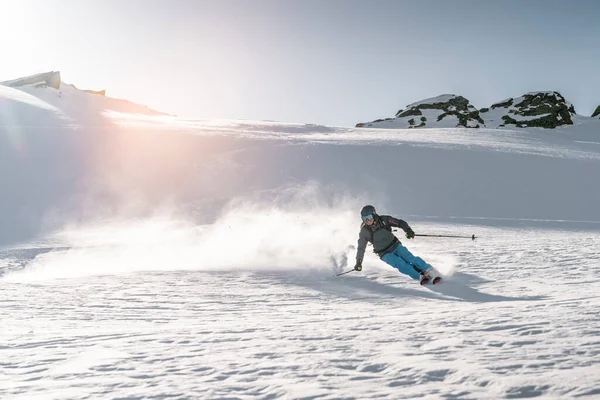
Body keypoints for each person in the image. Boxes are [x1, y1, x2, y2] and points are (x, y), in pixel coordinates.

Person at [354, 205, 439, 285]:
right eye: (364, 219)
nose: (367, 221)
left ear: (374, 214)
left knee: (410, 258)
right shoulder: (364, 231)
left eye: (369, 217)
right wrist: (359, 262)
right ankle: (420, 275)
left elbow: (399, 223)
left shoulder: (384, 220)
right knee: (401, 264)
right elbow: (361, 247)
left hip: (395, 245)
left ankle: (429, 270)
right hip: (384, 253)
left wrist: (408, 230)